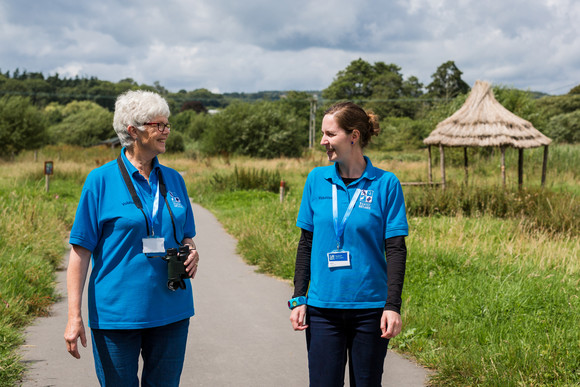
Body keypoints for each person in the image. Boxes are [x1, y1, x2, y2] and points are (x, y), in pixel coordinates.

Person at [64, 90, 200, 386]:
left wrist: (192, 252)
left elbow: (186, 237)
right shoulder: (99, 181)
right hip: (118, 314)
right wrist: (74, 315)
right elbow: (80, 253)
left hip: (172, 310)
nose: (166, 131)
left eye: (167, 125)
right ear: (133, 131)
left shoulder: (174, 179)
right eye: (158, 125)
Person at [289, 101, 408, 386]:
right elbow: (306, 244)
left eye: (330, 134)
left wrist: (392, 306)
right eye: (323, 134)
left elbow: (395, 249)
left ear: (353, 136)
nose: (323, 141)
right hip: (322, 309)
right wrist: (298, 297)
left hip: (370, 309)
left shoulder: (385, 183)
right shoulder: (317, 180)